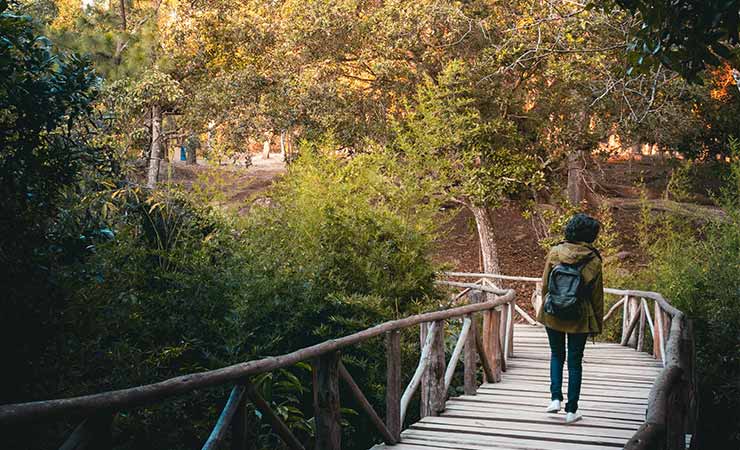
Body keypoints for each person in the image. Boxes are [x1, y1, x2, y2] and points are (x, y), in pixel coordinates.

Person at [537, 213, 604, 424]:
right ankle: (571, 411)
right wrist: (597, 324)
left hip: (553, 312)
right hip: (579, 316)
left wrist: (548, 304)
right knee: (575, 363)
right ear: (590, 235)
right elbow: (596, 296)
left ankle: (555, 398)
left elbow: (545, 284)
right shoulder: (593, 259)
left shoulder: (555, 252)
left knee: (557, 355)